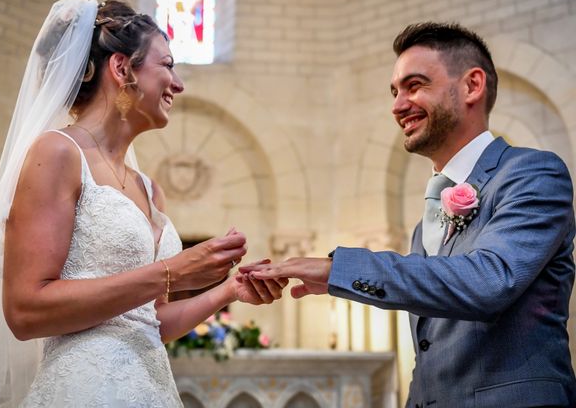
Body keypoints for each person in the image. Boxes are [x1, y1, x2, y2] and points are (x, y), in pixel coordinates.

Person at [0, 0, 286, 408]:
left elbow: (149, 322)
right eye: (168, 65)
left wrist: (227, 290)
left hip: (150, 390)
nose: (178, 84)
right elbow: (25, 311)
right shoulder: (58, 153)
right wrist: (172, 272)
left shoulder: (150, 190)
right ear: (122, 68)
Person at [245, 22, 576, 407]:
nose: (397, 105)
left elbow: (491, 281)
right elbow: (430, 346)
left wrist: (339, 268)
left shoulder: (532, 173)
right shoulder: (426, 225)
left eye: (415, 85)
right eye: (395, 91)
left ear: (472, 85)